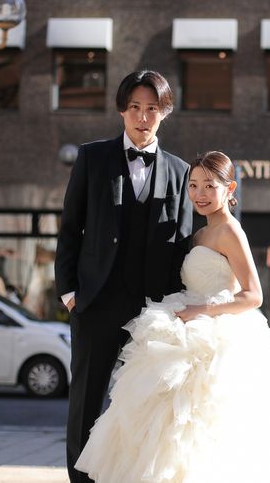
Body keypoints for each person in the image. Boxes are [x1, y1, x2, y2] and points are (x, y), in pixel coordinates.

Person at [75, 151, 270, 483]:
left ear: (230, 189)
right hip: (184, 321)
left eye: (209, 186)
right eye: (194, 185)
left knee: (202, 425)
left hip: (213, 333)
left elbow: (253, 295)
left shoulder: (230, 231)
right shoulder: (199, 234)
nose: (200, 194)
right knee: (165, 428)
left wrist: (202, 311)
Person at [54, 70, 193, 483]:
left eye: (152, 108)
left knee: (145, 408)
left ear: (164, 113)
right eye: (134, 107)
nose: (142, 117)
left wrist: (177, 308)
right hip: (96, 303)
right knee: (86, 404)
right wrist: (69, 292)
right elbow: (70, 228)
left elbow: (183, 244)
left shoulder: (180, 171)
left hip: (152, 311)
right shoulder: (92, 158)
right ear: (121, 110)